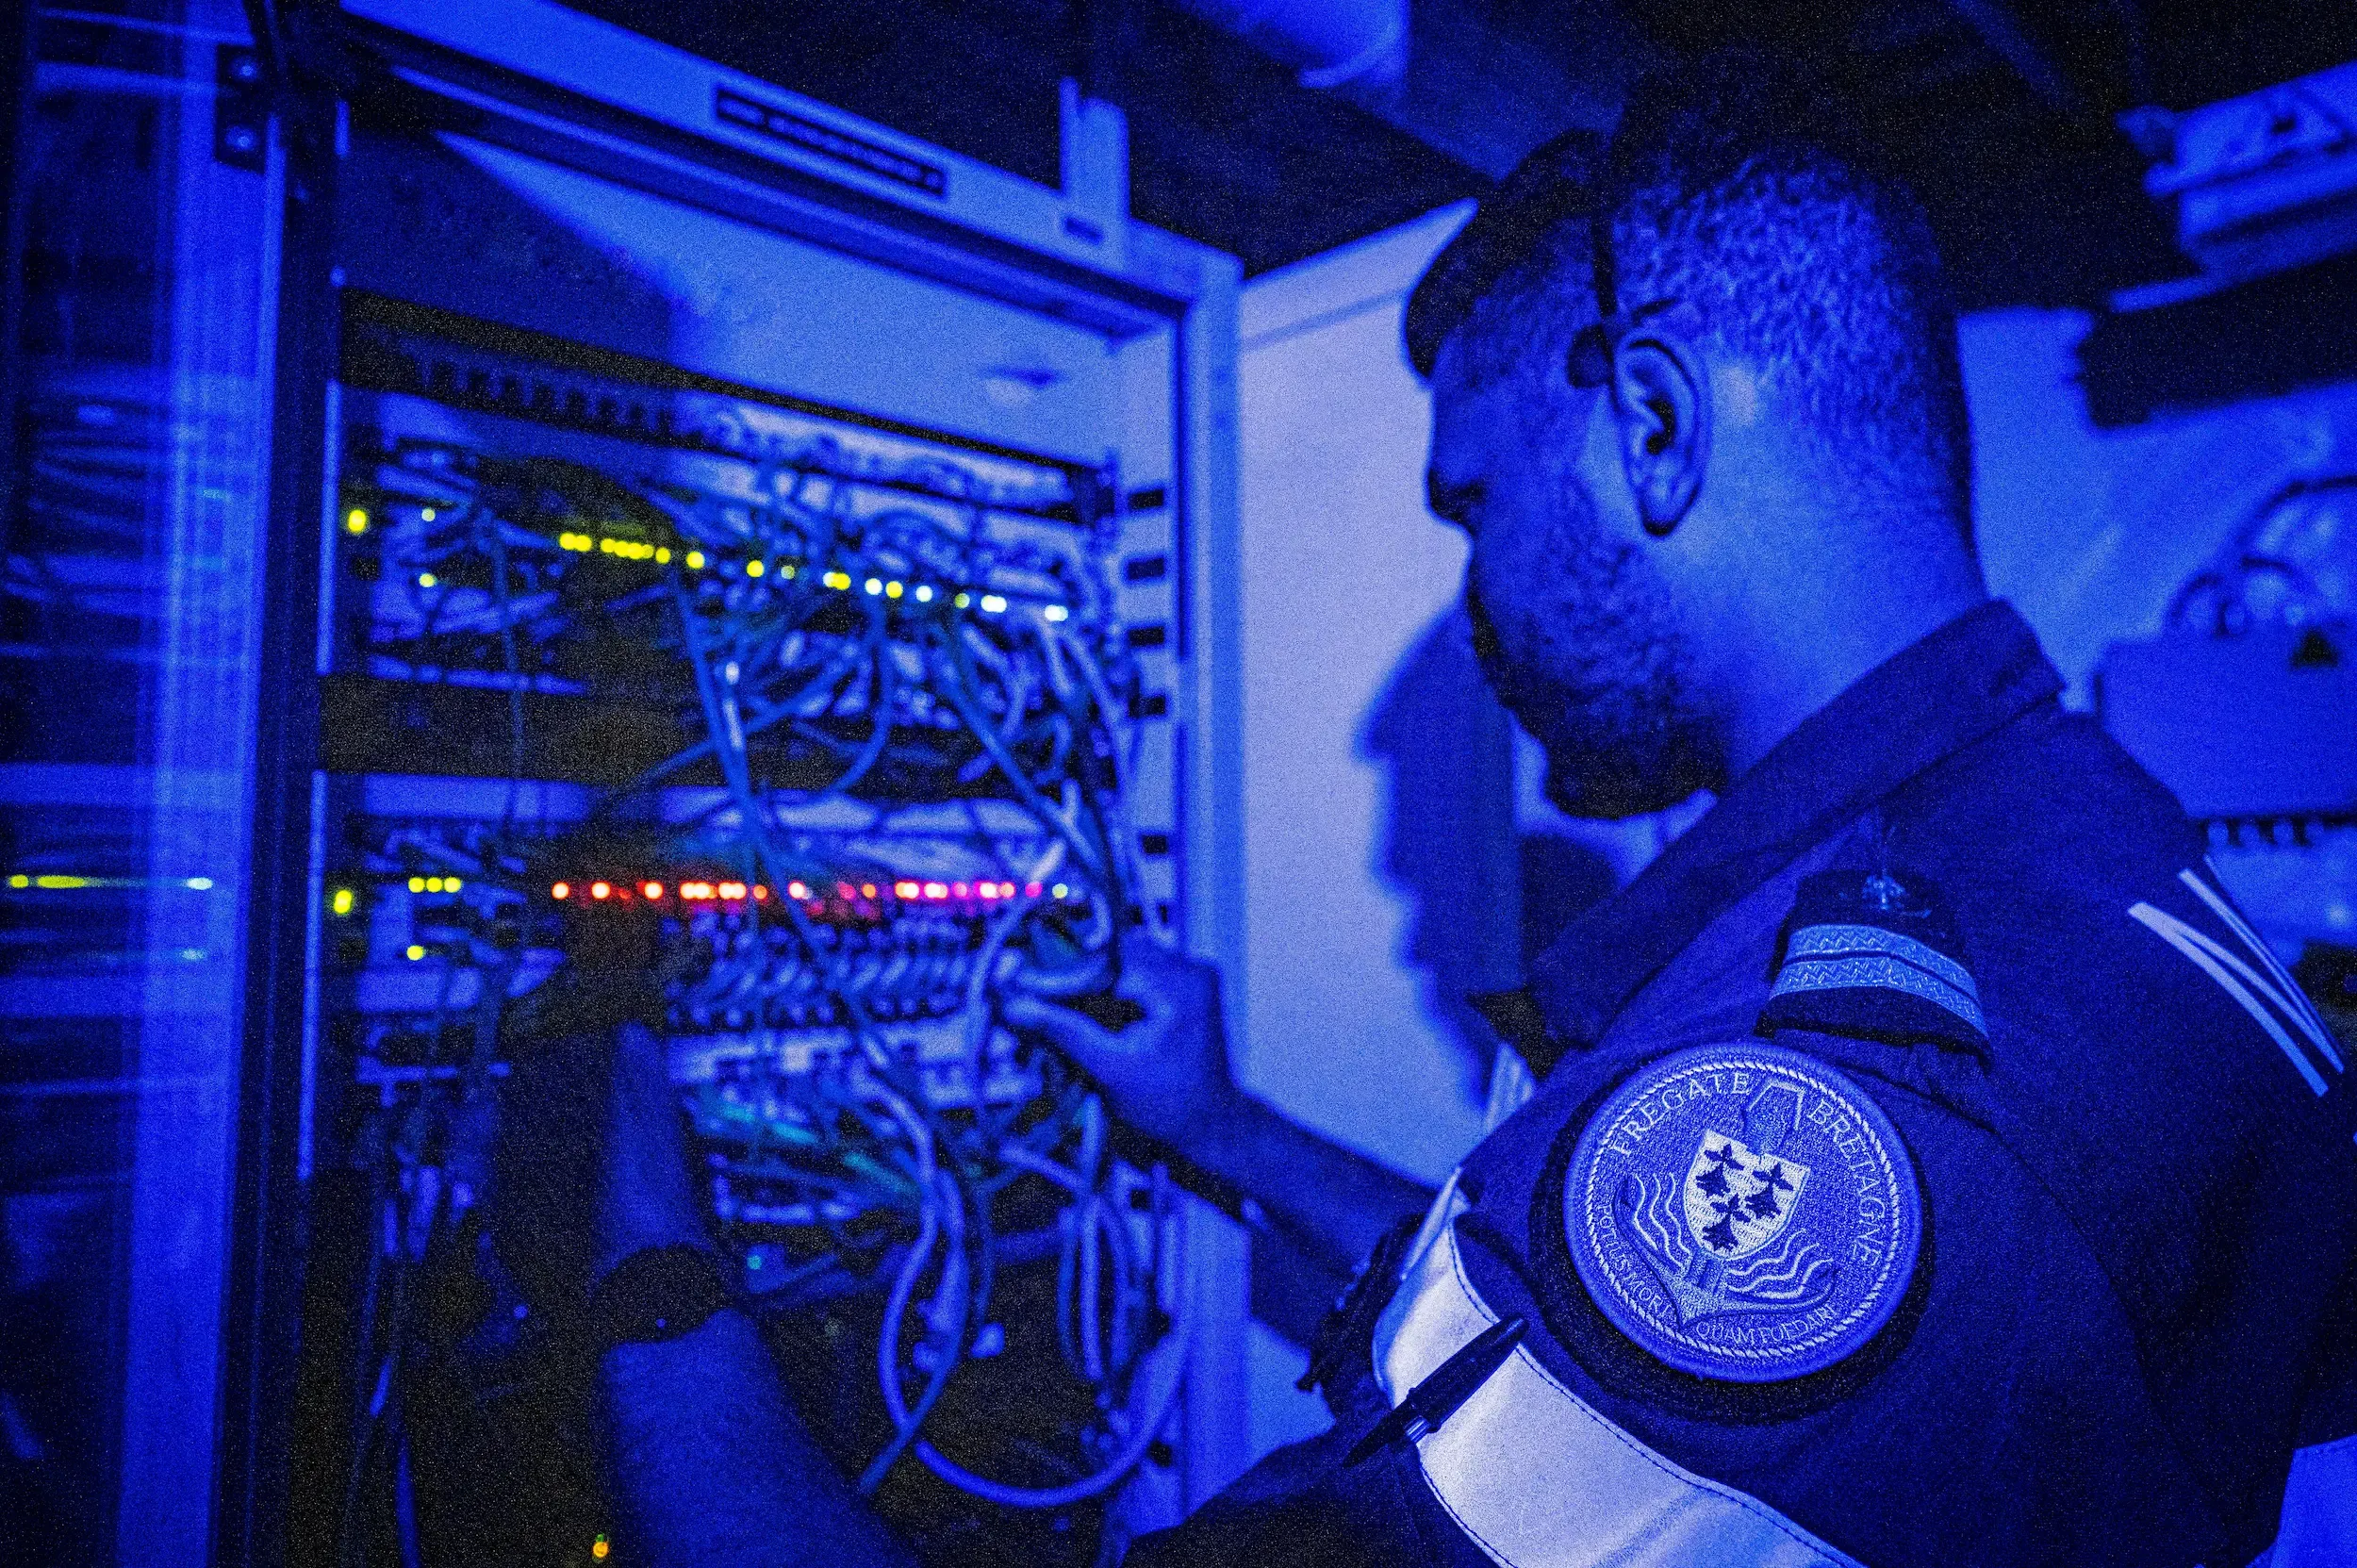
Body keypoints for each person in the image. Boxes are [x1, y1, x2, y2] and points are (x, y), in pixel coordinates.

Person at [543, 51, 2357, 1568]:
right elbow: (1594, 1335)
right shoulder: (2105, 858)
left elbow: (1711, 1341)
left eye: (1472, 502)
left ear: (1654, 428)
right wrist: (1227, 1127)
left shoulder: (1858, 1098)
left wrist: (620, 1181)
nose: (1473, 589)